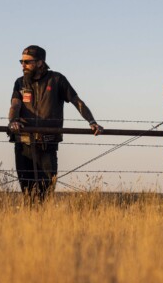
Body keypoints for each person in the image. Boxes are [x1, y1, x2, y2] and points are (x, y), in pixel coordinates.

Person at [7, 45, 103, 199]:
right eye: (21, 62)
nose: (23, 65)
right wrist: (12, 121)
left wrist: (92, 121)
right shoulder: (20, 83)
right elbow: (15, 104)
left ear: (40, 63)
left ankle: (44, 221)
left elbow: (76, 101)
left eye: (27, 62)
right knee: (28, 192)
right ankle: (29, 222)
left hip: (48, 144)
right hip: (23, 143)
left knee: (45, 192)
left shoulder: (57, 79)